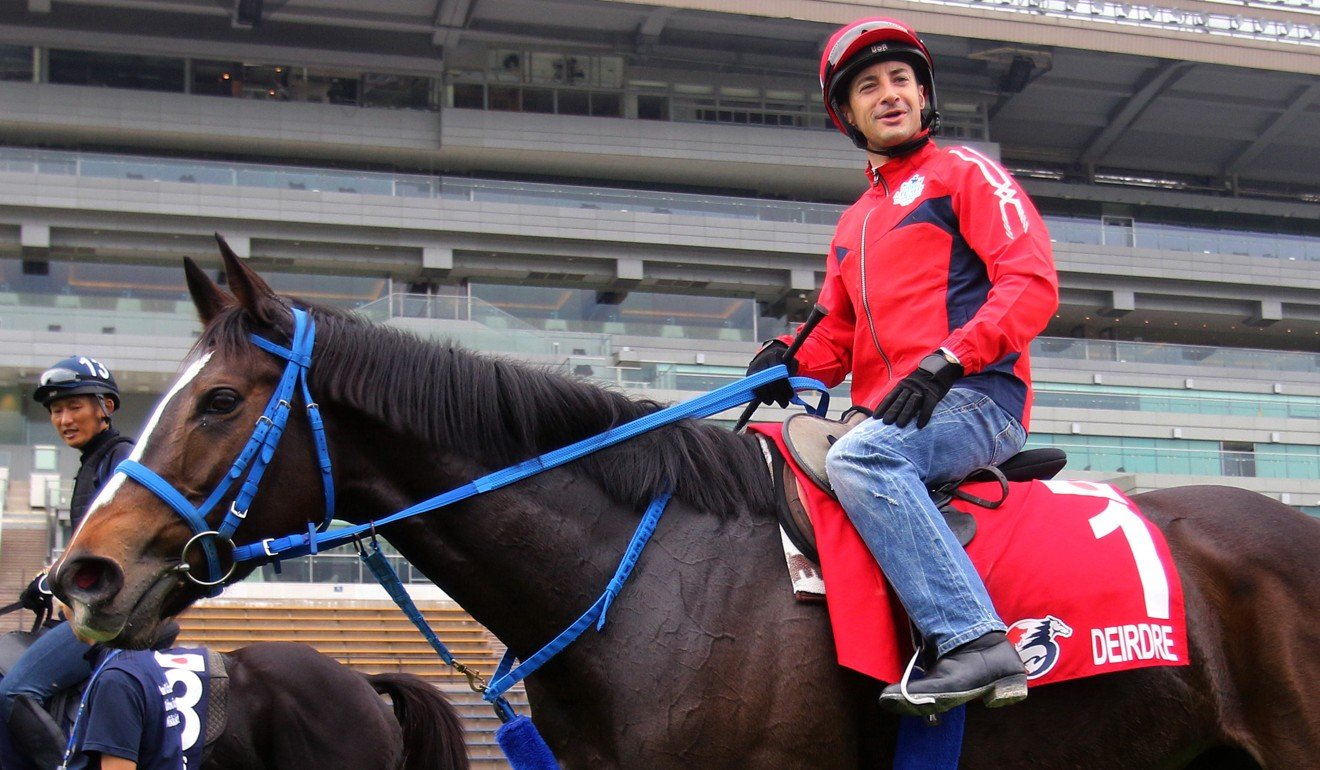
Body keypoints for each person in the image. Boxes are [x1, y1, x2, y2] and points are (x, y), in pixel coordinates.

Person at [746, 17, 1058, 716]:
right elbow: (835, 338)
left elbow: (1031, 284)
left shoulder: (965, 174)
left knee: (863, 462)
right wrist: (786, 362)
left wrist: (949, 360)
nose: (888, 95)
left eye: (900, 80)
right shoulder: (853, 223)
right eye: (867, 87)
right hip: (890, 409)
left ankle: (975, 643)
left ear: (923, 96)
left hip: (975, 399)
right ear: (847, 115)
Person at [1, 357, 136, 769]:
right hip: (92, 610)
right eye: (56, 410)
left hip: (113, 617)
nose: (63, 419)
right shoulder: (93, 464)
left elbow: (121, 548)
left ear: (106, 407)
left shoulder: (122, 461)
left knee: (17, 690)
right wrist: (49, 576)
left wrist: (60, 579)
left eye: (74, 407)